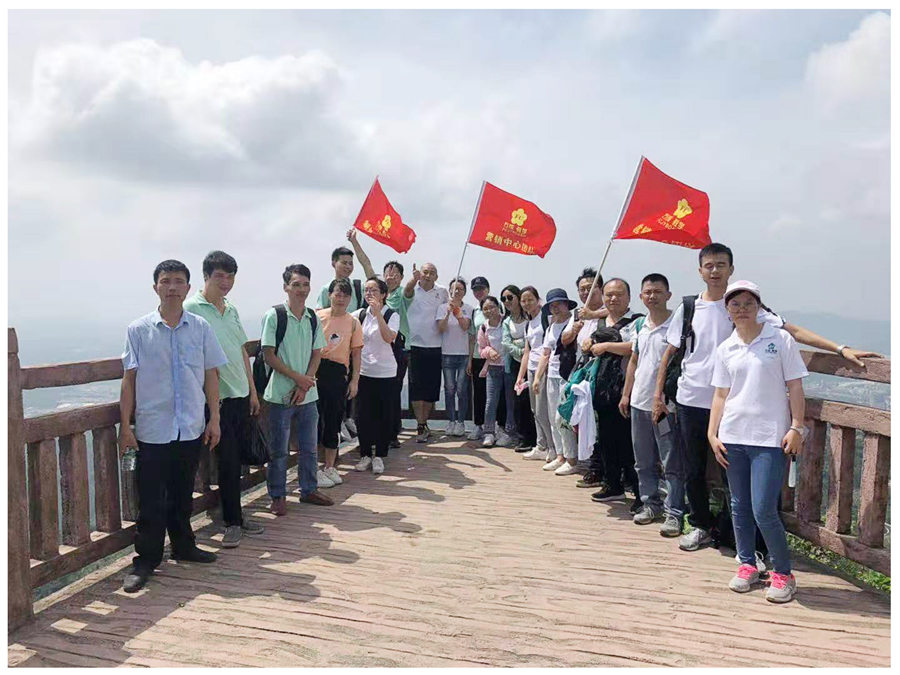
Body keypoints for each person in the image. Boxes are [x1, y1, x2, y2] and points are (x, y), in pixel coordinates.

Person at [653, 242, 879, 552]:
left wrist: (840, 349)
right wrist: (657, 395)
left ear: (731, 269)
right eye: (709, 265)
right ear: (700, 271)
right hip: (691, 399)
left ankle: (738, 537)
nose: (715, 271)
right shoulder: (689, 307)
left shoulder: (745, 305)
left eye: (721, 265)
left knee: (732, 476)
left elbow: (793, 331)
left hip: (732, 406)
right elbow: (671, 351)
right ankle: (702, 526)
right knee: (693, 470)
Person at [118, 260, 228, 593]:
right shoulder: (139, 329)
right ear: (156, 287)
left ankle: (183, 545)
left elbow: (211, 374)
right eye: (165, 281)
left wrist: (214, 418)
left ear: (188, 288)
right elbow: (129, 379)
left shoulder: (200, 328)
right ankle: (146, 560)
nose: (172, 287)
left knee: (182, 492)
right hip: (153, 429)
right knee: (151, 499)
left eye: (179, 281)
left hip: (190, 426)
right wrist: (125, 426)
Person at [709, 280, 808, 603]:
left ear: (759, 306)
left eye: (748, 303)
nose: (742, 309)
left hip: (769, 437)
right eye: (735, 304)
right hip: (732, 436)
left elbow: (795, 386)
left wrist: (796, 427)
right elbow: (721, 394)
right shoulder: (726, 347)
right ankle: (747, 564)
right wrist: (712, 433)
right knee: (739, 506)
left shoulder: (779, 339)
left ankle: (783, 573)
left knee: (764, 508)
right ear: (727, 309)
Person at [183, 251, 265, 549]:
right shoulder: (192, 308)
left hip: (240, 395)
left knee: (236, 460)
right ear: (206, 276)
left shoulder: (230, 309)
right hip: (216, 399)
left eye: (230, 276)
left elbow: (242, 350)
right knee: (227, 461)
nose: (226, 282)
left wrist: (252, 391)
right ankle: (232, 522)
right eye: (220, 276)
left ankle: (234, 516)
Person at [262, 264, 332, 516]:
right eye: (296, 285)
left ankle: (308, 489)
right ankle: (278, 496)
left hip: (308, 395)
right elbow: (268, 354)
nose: (301, 289)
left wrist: (306, 382)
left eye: (305, 284)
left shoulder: (312, 317)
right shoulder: (275, 316)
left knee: (309, 447)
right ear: (286, 287)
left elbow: (317, 352)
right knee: (279, 450)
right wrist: (298, 379)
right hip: (281, 394)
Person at [618, 274, 685, 536]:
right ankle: (650, 504)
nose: (652, 296)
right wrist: (626, 394)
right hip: (639, 403)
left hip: (666, 407)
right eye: (648, 292)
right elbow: (634, 361)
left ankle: (674, 512)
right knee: (643, 460)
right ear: (641, 296)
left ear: (668, 295)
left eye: (658, 292)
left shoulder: (676, 325)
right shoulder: (641, 325)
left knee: (671, 462)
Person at [346, 230, 412, 447]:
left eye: (396, 274)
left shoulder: (401, 294)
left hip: (396, 350)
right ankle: (373, 438)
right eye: (388, 273)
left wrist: (415, 277)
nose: (391, 276)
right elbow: (365, 263)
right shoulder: (372, 293)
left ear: (401, 278)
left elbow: (412, 287)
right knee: (369, 399)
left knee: (392, 393)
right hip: (369, 354)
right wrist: (355, 242)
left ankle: (391, 434)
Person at [587, 278, 643, 505]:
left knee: (628, 443)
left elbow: (636, 347)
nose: (613, 299)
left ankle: (639, 493)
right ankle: (612, 485)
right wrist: (588, 343)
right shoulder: (600, 322)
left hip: (626, 389)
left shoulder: (637, 321)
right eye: (609, 294)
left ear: (629, 297)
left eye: (619, 294)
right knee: (606, 440)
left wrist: (606, 346)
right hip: (602, 388)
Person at [562, 268, 608, 489]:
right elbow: (564, 339)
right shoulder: (577, 314)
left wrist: (593, 315)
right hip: (581, 374)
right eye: (582, 289)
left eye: (591, 288)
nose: (586, 293)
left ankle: (599, 470)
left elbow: (616, 313)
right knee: (579, 419)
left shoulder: (607, 311)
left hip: (602, 374)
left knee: (598, 422)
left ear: (601, 289)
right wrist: (574, 329)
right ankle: (590, 464)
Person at [315, 278, 363, 488]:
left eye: (345, 295)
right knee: (314, 421)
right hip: (316, 370)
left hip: (338, 373)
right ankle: (314, 468)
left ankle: (330, 466)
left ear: (350, 298)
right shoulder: (317, 317)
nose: (341, 298)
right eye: (338, 294)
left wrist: (355, 380)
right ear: (330, 295)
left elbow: (356, 353)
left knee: (333, 421)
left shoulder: (353, 322)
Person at [352, 277, 401, 474]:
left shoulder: (391, 314)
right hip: (364, 371)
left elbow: (388, 337)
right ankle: (365, 454)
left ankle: (379, 455)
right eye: (366, 290)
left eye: (373, 290)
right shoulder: (359, 314)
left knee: (384, 415)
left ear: (383, 294)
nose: (369, 294)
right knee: (362, 415)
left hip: (386, 372)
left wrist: (378, 313)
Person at [532, 288, 578, 475]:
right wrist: (537, 378)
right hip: (551, 374)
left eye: (559, 304)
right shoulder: (551, 326)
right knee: (553, 417)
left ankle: (572, 458)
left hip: (569, 374)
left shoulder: (574, 321)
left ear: (567, 304)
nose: (556, 308)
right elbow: (545, 354)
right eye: (552, 305)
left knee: (564, 417)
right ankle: (560, 455)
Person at [406, 262, 450, 442]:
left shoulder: (443, 291)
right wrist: (413, 280)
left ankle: (424, 423)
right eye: (425, 272)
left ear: (436, 276)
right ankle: (420, 424)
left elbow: (447, 311)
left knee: (431, 388)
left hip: (435, 345)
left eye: (432, 273)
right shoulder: (412, 288)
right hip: (414, 345)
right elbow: (406, 293)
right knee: (416, 387)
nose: (428, 275)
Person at [516, 286, 555, 462]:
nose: (526, 303)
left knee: (542, 411)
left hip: (544, 368)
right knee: (535, 410)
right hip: (532, 369)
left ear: (538, 300)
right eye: (523, 300)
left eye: (530, 299)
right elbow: (527, 351)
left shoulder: (546, 318)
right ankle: (541, 446)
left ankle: (552, 448)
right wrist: (520, 376)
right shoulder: (528, 323)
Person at [437, 277, 473, 437]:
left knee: (461, 390)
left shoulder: (469, 309)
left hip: (463, 354)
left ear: (464, 292)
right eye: (454, 288)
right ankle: (451, 421)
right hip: (447, 354)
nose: (457, 291)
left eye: (460, 289)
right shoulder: (442, 307)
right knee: (449, 389)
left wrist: (457, 312)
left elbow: (465, 327)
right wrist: (447, 313)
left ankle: (461, 422)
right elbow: (441, 328)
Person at [476, 295, 514, 447]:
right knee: (491, 401)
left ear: (498, 307)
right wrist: (489, 351)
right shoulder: (484, 327)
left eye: (492, 307)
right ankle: (489, 432)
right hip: (493, 368)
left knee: (510, 400)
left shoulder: (507, 322)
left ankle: (509, 432)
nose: (489, 311)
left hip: (509, 366)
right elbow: (481, 349)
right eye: (485, 309)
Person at [501, 285, 535, 451]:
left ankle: (537, 438)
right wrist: (522, 351)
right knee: (519, 402)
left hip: (534, 363)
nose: (507, 301)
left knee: (533, 402)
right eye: (504, 299)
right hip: (515, 365)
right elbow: (506, 343)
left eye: (510, 297)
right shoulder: (506, 321)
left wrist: (524, 349)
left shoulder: (530, 317)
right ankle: (523, 438)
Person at [467, 276, 493, 440]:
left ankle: (494, 427)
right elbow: (471, 337)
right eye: (476, 289)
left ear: (488, 289)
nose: (479, 292)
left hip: (494, 357)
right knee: (478, 392)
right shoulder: (475, 311)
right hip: (478, 357)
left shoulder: (495, 307)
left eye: (481, 288)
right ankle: (478, 425)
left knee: (494, 393)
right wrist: (470, 359)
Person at [316, 243, 364, 311]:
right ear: (333, 263)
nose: (348, 267)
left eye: (350, 263)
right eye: (344, 263)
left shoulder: (359, 288)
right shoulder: (326, 289)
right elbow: (319, 313)